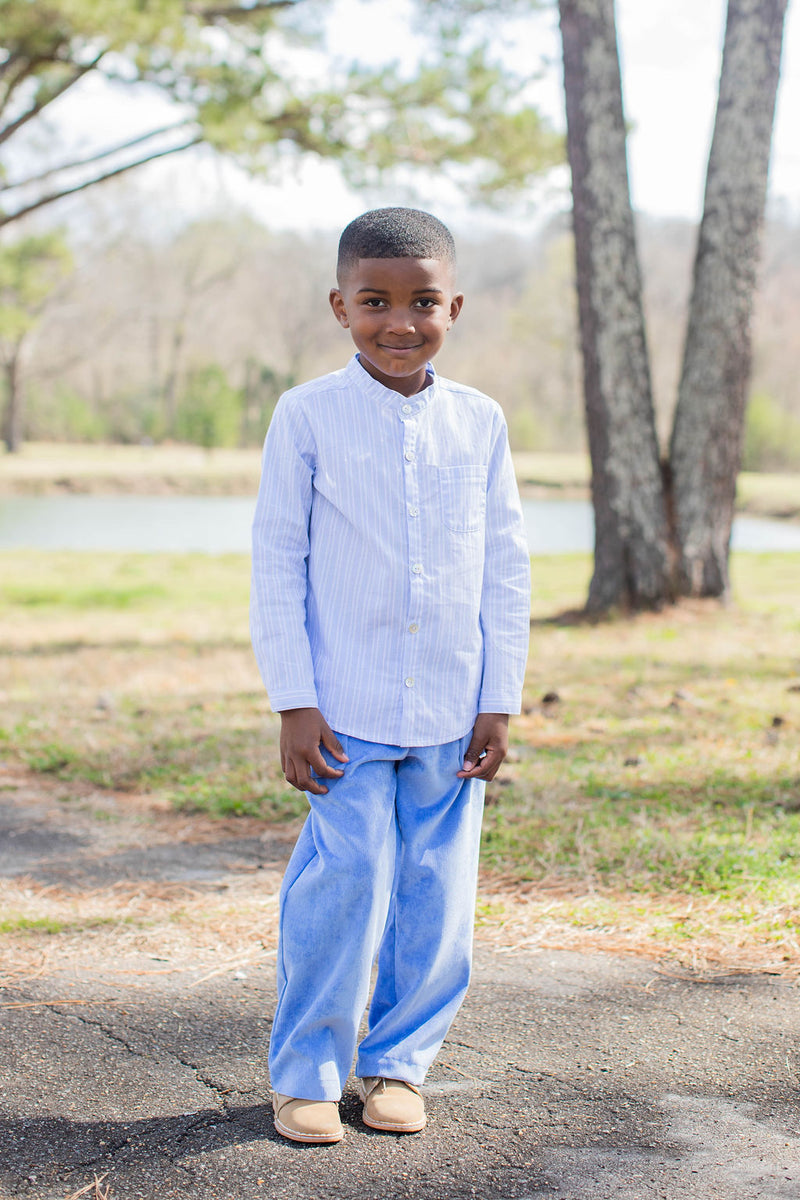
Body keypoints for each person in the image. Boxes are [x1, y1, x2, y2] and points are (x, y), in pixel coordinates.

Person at [250, 207, 531, 1144]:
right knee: (347, 881)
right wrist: (294, 700)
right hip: (345, 707)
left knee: (437, 890)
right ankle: (306, 1075)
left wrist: (500, 699)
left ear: (454, 305)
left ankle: (399, 1065)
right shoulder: (307, 416)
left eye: (421, 302)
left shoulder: (480, 422)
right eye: (375, 301)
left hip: (452, 705)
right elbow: (277, 560)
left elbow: (505, 567)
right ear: (340, 305)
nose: (398, 322)